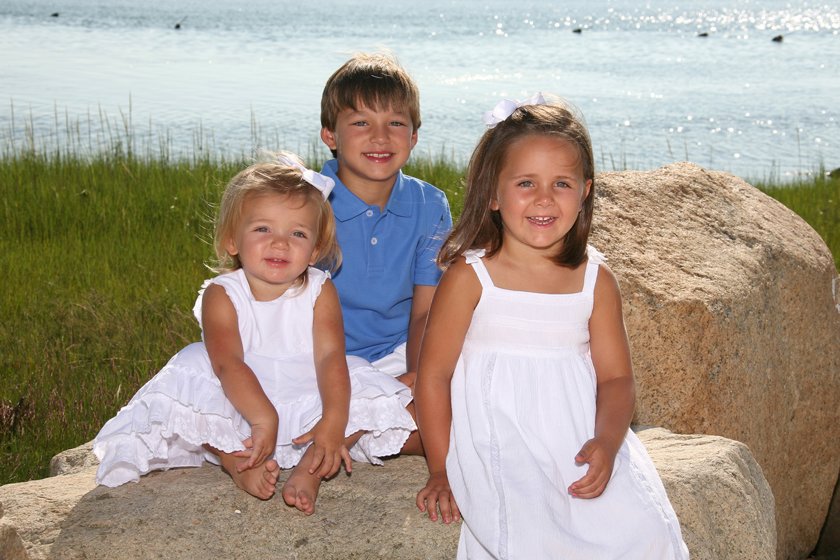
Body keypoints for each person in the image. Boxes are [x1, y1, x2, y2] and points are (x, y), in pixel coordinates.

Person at [414, 95, 689, 558]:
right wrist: (440, 469)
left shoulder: (595, 281)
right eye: (526, 183)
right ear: (493, 194)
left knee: (644, 531)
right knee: (529, 531)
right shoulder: (470, 277)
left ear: (584, 192)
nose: (544, 198)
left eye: (561, 183)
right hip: (499, 439)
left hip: (575, 437)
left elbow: (616, 379)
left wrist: (607, 442)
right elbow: (433, 376)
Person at [94, 153, 415, 515]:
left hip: (306, 383)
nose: (280, 243)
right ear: (232, 240)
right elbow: (228, 364)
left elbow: (329, 357)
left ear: (315, 250)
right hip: (241, 392)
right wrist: (264, 417)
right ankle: (237, 460)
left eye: (298, 233)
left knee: (362, 383)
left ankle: (312, 467)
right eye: (263, 229)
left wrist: (334, 418)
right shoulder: (223, 294)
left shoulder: (320, 289)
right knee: (192, 366)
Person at [318, 53, 453, 422]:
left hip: (396, 353)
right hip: (318, 357)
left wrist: (419, 376)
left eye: (395, 123)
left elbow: (424, 311)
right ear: (330, 135)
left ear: (413, 136)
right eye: (361, 122)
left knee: (450, 416)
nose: (380, 137)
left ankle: (371, 421)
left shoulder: (430, 205)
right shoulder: (308, 202)